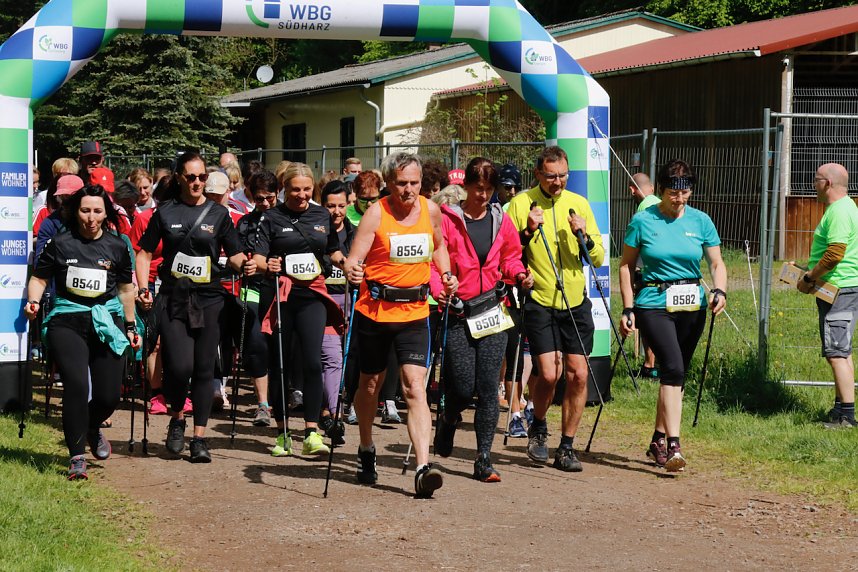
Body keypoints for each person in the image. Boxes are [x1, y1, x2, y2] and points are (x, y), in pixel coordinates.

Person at [344, 152, 458, 497]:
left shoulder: (430, 210)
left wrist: (447, 273)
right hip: (376, 312)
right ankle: (366, 447)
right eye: (401, 183)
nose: (408, 190)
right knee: (369, 387)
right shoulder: (377, 213)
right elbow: (355, 257)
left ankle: (423, 467)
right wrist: (351, 269)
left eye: (414, 183)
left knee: (414, 387)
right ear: (389, 183)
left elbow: (439, 247)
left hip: (415, 313)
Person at [136, 152, 256, 463]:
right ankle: (177, 419)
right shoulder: (165, 213)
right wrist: (143, 288)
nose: (197, 182)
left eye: (202, 177)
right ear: (179, 177)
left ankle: (199, 438)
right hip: (175, 299)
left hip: (210, 299)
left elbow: (235, 254)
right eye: (191, 177)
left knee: (204, 368)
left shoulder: (219, 214)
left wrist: (245, 264)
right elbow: (144, 254)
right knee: (179, 367)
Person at [24, 185, 139, 480]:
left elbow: (127, 289)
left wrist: (129, 325)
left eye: (97, 211)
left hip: (106, 321)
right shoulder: (61, 243)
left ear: (106, 213)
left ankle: (90, 426)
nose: (91, 217)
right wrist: (33, 302)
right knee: (76, 383)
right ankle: (76, 456)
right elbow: (39, 278)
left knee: (109, 395)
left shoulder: (117, 245)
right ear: (76, 212)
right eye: (85, 210)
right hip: (67, 319)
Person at [619, 159, 727, 472]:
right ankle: (675, 445)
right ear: (661, 190)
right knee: (673, 368)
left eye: (685, 193)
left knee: (676, 375)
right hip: (653, 301)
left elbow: (717, 263)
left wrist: (719, 291)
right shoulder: (644, 220)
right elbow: (626, 265)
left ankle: (657, 438)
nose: (679, 199)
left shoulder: (701, 220)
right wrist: (628, 306)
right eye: (672, 193)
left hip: (691, 304)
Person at [430, 157, 531, 482]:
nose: (483, 196)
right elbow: (433, 260)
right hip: (459, 312)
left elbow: (511, 257)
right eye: (478, 189)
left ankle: (483, 459)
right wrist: (440, 287)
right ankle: (448, 418)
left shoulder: (501, 221)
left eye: (489, 190)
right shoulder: (448, 220)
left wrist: (520, 274)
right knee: (460, 387)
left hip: (493, 311)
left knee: (489, 388)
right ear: (466, 187)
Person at [506, 146, 604, 473]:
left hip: (574, 302)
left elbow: (599, 257)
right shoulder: (521, 204)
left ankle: (566, 446)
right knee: (549, 373)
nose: (558, 182)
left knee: (578, 373)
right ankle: (538, 422)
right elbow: (507, 253)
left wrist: (584, 237)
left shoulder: (580, 204)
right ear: (538, 174)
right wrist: (529, 231)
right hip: (540, 300)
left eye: (563, 175)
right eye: (551, 176)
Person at [252, 163, 347, 457]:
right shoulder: (271, 217)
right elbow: (257, 258)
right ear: (284, 189)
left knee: (312, 361)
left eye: (307, 189)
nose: (303, 195)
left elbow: (332, 249)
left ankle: (311, 432)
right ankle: (282, 434)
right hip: (282, 295)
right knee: (281, 364)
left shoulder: (321, 215)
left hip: (313, 295)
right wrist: (267, 265)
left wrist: (347, 264)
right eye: (296, 190)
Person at [797, 163, 858, 429]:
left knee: (836, 353)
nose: (813, 185)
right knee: (843, 352)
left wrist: (810, 278)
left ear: (828, 183)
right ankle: (840, 408)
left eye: (816, 180)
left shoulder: (839, 211)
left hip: (839, 289)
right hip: (840, 288)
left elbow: (835, 254)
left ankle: (846, 416)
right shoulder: (845, 208)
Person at [235, 171, 279, 426]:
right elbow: (236, 254)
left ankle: (283, 396)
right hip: (252, 289)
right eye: (259, 199)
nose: (264, 203)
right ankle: (262, 403)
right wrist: (243, 265)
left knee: (280, 345)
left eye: (269, 198)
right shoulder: (244, 223)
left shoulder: (286, 218)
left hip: (281, 290)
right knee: (256, 344)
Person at [319, 180, 356, 440]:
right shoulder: (315, 234)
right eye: (331, 206)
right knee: (332, 358)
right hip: (323, 304)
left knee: (347, 362)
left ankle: (327, 407)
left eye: (341, 205)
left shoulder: (356, 235)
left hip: (352, 305)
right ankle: (335, 416)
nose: (336, 211)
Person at [630, 172, 660, 379]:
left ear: (632, 190)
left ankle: (650, 365)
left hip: (651, 276)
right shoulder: (661, 203)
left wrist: (636, 274)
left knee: (648, 318)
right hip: (672, 274)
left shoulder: (642, 210)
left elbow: (642, 245)